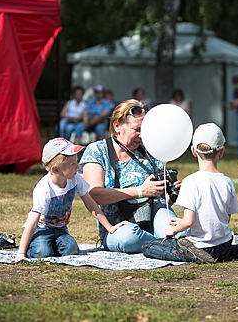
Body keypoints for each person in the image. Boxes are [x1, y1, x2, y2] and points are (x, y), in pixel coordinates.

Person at [142, 123, 238, 263]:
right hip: (224, 243)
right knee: (221, 248)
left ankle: (192, 254)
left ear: (193, 151)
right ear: (221, 152)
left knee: (149, 246)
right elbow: (225, 218)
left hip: (201, 245)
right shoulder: (227, 181)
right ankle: (237, 250)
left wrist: (173, 230)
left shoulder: (191, 181)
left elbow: (188, 221)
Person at [79, 99, 190, 254]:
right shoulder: (97, 151)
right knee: (129, 239)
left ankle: (162, 244)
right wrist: (140, 191)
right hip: (117, 226)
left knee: (179, 229)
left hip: (154, 212)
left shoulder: (150, 150)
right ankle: (167, 245)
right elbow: (94, 194)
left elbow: (160, 199)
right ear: (117, 126)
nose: (142, 136)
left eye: (144, 130)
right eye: (137, 129)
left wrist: (170, 194)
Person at [14, 138, 129, 261]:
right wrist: (21, 254)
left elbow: (91, 205)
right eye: (72, 164)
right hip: (41, 229)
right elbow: (32, 222)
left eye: (76, 162)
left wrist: (110, 228)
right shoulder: (44, 189)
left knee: (71, 250)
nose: (77, 166)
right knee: (42, 252)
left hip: (61, 229)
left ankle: (51, 246)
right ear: (56, 169)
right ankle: (34, 244)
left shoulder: (75, 179)